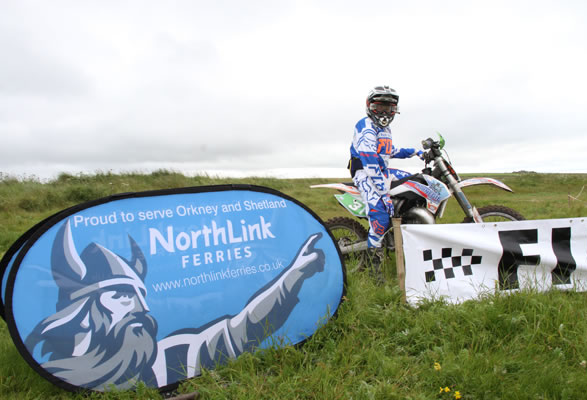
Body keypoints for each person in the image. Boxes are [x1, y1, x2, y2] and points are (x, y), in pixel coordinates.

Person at [25, 220, 325, 390]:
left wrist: (292, 276)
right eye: (122, 296)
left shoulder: (163, 360)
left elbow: (241, 330)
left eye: (141, 296)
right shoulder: (57, 373)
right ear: (83, 307)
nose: (141, 309)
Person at [348, 85, 422, 280]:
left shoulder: (385, 129)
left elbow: (390, 151)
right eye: (379, 107)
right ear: (369, 106)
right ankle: (375, 272)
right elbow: (370, 159)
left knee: (414, 183)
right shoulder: (365, 126)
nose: (384, 112)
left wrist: (416, 152)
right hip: (364, 171)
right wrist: (384, 194)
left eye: (389, 108)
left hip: (381, 170)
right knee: (380, 216)